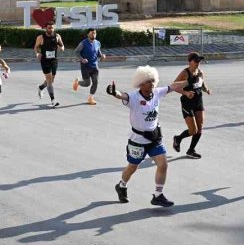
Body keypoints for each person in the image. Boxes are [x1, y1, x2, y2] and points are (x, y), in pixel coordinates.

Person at [106, 66, 186, 207]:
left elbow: (173, 86)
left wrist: (191, 80)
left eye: (153, 80)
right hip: (138, 140)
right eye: (148, 81)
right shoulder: (133, 97)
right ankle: (122, 185)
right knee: (132, 167)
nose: (152, 84)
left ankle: (158, 195)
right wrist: (114, 92)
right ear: (141, 83)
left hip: (154, 138)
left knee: (163, 164)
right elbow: (121, 95)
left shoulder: (157, 93)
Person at [171, 52, 212, 158]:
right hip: (187, 103)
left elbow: (201, 84)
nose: (198, 63)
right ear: (190, 62)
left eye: (199, 61)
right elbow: (174, 86)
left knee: (200, 127)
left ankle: (191, 150)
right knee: (193, 130)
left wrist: (206, 89)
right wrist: (186, 93)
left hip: (198, 102)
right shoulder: (185, 73)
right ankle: (178, 138)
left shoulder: (200, 72)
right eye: (196, 61)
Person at [33, 21, 65, 107]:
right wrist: (37, 54)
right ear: (45, 29)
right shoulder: (40, 37)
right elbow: (35, 47)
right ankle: (53, 100)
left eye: (52, 28)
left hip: (54, 60)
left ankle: (40, 87)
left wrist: (61, 48)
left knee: (51, 80)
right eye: (49, 28)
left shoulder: (57, 36)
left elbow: (62, 46)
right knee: (49, 81)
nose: (51, 29)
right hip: (45, 61)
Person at [73, 28, 106, 105]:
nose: (93, 34)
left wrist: (102, 56)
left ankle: (90, 98)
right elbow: (76, 52)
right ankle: (77, 83)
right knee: (87, 83)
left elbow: (98, 53)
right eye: (91, 33)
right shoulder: (83, 43)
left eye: (94, 33)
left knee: (95, 82)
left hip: (95, 66)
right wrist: (82, 59)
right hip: (85, 66)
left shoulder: (98, 43)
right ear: (88, 34)